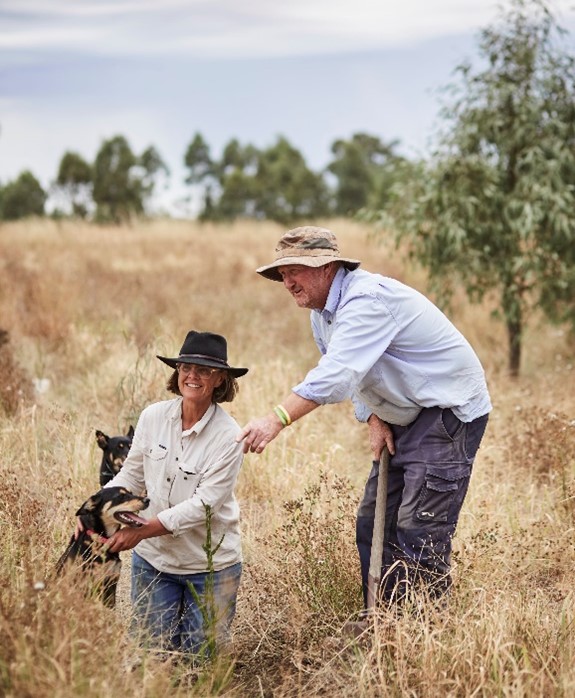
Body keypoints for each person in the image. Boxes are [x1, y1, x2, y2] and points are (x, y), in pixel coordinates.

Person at [237, 226, 491, 608]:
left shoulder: (366, 300)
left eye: (295, 270)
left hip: (447, 412)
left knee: (419, 526)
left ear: (328, 267)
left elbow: (337, 375)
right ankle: (383, 622)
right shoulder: (322, 313)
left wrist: (276, 419)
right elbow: (359, 374)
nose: (287, 282)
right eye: (282, 274)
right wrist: (374, 417)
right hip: (404, 413)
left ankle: (427, 632)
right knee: (374, 524)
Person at [101, 330, 248, 657]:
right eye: (186, 367)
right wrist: (98, 510)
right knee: (151, 661)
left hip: (210, 568)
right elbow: (131, 474)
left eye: (204, 371)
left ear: (220, 379)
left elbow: (205, 506)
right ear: (177, 371)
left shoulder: (229, 437)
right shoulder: (152, 417)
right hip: (154, 562)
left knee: (199, 668)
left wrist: (141, 531)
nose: (192, 376)